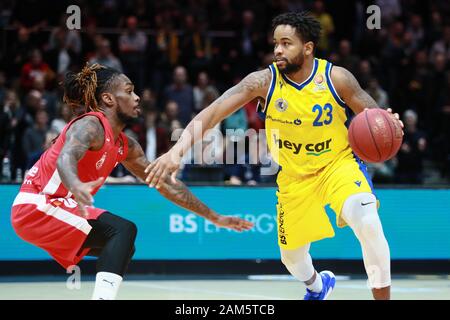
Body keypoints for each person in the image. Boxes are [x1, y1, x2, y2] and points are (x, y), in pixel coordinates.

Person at [145, 12, 404, 300]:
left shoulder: (336, 78)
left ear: (307, 47)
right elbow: (214, 110)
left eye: (286, 43)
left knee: (366, 220)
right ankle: (318, 287)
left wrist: (388, 123)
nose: (278, 50)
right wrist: (176, 152)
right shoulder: (262, 82)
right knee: (292, 258)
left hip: (337, 166)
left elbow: (372, 115)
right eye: (276, 43)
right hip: (293, 177)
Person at [10, 64, 253, 300]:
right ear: (108, 99)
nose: (137, 97)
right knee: (122, 230)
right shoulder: (91, 124)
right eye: (129, 91)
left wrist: (213, 216)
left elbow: (165, 184)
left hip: (48, 209)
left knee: (122, 245)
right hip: (39, 205)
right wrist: (74, 184)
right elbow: (66, 156)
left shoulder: (126, 146)